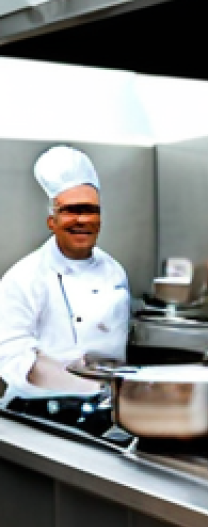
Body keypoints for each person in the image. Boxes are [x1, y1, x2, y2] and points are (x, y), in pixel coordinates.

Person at [0, 146, 129, 402]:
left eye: (91, 210)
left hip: (105, 407)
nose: (82, 220)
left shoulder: (114, 271)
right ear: (52, 221)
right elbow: (12, 357)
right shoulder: (24, 278)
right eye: (71, 210)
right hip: (37, 410)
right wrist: (86, 388)